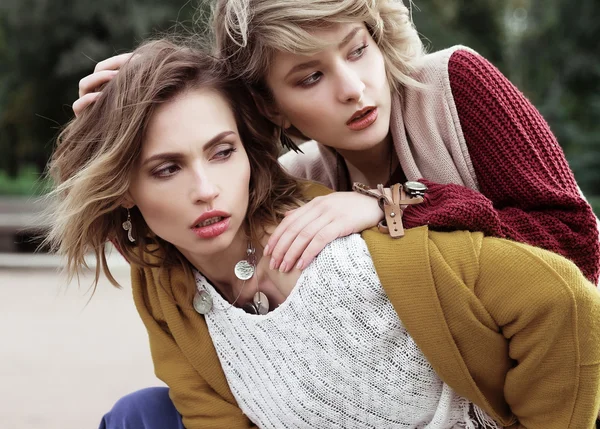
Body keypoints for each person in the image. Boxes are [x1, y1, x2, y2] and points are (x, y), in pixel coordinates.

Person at [48, 39, 600, 429]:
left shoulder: (345, 245)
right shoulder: (168, 278)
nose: (205, 190)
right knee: (136, 416)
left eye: (222, 152)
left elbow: (568, 295)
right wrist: (106, 129)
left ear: (248, 152)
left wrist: (392, 203)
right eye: (166, 168)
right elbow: (208, 408)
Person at [73, 0, 600, 286]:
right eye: (310, 78)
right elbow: (182, 253)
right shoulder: (302, 177)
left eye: (356, 50)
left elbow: (580, 245)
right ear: (269, 104)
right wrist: (118, 133)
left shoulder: (453, 86)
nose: (353, 88)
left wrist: (391, 204)